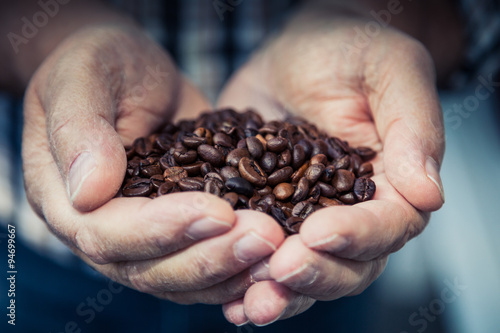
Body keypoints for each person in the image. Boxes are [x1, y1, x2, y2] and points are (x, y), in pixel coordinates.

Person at [4, 0, 492, 331]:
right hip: (47, 265)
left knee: (308, 277)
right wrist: (52, 40)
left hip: (309, 278)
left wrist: (372, 19)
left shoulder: (318, 176)